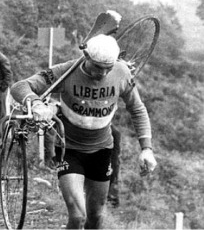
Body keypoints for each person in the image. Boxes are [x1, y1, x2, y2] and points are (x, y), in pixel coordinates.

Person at [9, 34, 157, 229]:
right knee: (78, 216)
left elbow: (137, 109)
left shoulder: (121, 72)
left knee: (95, 218)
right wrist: (35, 103)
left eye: (108, 68)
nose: (103, 73)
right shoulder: (66, 71)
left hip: (102, 151)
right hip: (69, 150)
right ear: (86, 56)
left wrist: (146, 148)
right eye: (97, 67)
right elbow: (20, 86)